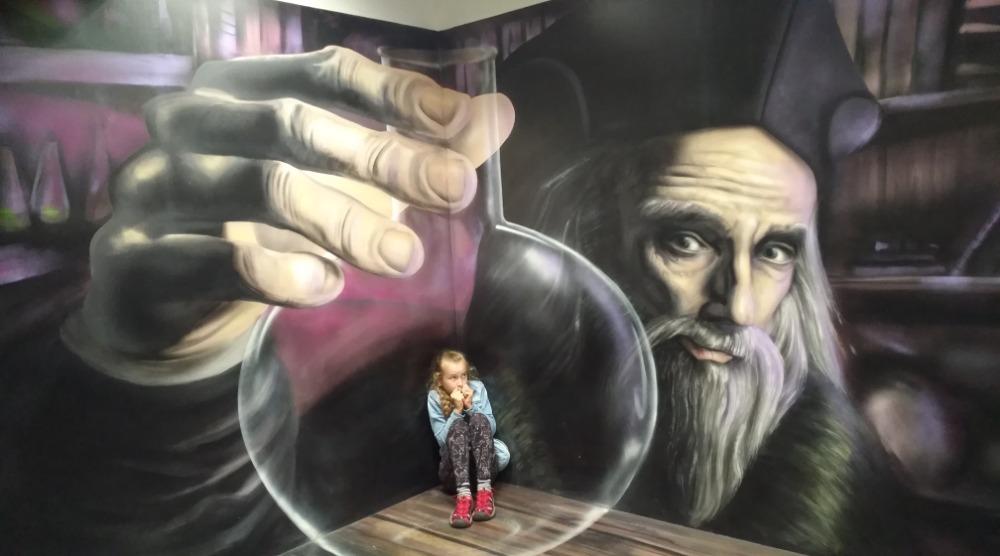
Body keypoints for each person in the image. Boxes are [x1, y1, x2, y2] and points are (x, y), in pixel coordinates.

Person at [1, 1, 927, 555]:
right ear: (589, 229)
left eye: (775, 252)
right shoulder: (418, 408)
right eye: (685, 240)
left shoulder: (852, 483)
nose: (739, 305)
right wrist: (163, 387)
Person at [426, 349, 509, 527]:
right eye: (453, 378)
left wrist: (471, 407)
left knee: (485, 427)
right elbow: (441, 441)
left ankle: (484, 492)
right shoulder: (434, 397)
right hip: (455, 475)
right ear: (440, 379)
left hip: (482, 467)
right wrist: (457, 411)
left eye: (463, 375)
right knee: (458, 427)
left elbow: (491, 428)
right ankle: (464, 498)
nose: (460, 382)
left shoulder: (477, 388)